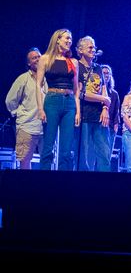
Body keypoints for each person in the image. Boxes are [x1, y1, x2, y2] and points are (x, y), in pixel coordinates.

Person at [35, 29, 80, 171]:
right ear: (58, 39)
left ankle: (63, 182)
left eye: (71, 39)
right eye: (67, 38)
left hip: (69, 103)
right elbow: (38, 84)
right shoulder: (45, 58)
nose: (69, 41)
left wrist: (78, 111)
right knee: (48, 145)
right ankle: (44, 181)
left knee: (66, 148)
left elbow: (76, 89)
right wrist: (40, 109)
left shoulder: (73, 62)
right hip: (52, 101)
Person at [75, 36, 111, 172]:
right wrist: (104, 99)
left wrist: (105, 108)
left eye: (94, 46)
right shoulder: (77, 66)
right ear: (81, 50)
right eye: (90, 47)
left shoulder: (98, 68)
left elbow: (104, 90)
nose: (93, 49)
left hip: (100, 117)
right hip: (84, 115)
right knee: (83, 156)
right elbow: (80, 93)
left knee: (104, 153)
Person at [5, 48, 44, 169]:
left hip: (45, 128)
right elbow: (10, 100)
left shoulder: (47, 79)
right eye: (34, 58)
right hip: (26, 127)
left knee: (47, 160)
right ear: (29, 63)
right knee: (25, 161)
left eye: (39, 56)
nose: (37, 59)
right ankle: (26, 186)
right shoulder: (23, 79)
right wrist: (19, 113)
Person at [101, 64, 122, 172]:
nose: (106, 75)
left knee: (107, 155)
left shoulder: (114, 94)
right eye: (103, 73)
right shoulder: (96, 92)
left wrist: (115, 125)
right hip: (98, 126)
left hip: (109, 127)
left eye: (108, 73)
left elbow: (116, 111)